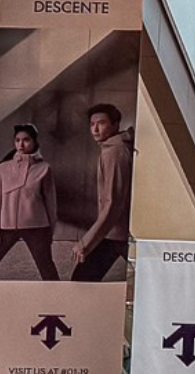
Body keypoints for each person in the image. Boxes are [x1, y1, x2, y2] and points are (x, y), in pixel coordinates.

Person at [0, 124, 59, 280]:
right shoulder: (2, 169)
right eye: (17, 140)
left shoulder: (44, 168)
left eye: (26, 140)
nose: (21, 145)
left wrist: (50, 230)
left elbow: (50, 203)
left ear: (34, 141)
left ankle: (58, 295)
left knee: (47, 269)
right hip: (6, 226)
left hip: (37, 226)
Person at [71, 103, 133, 281]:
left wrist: (86, 242)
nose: (95, 129)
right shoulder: (112, 149)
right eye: (92, 124)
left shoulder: (114, 152)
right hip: (115, 231)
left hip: (116, 231)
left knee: (81, 280)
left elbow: (112, 202)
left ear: (115, 124)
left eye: (102, 123)